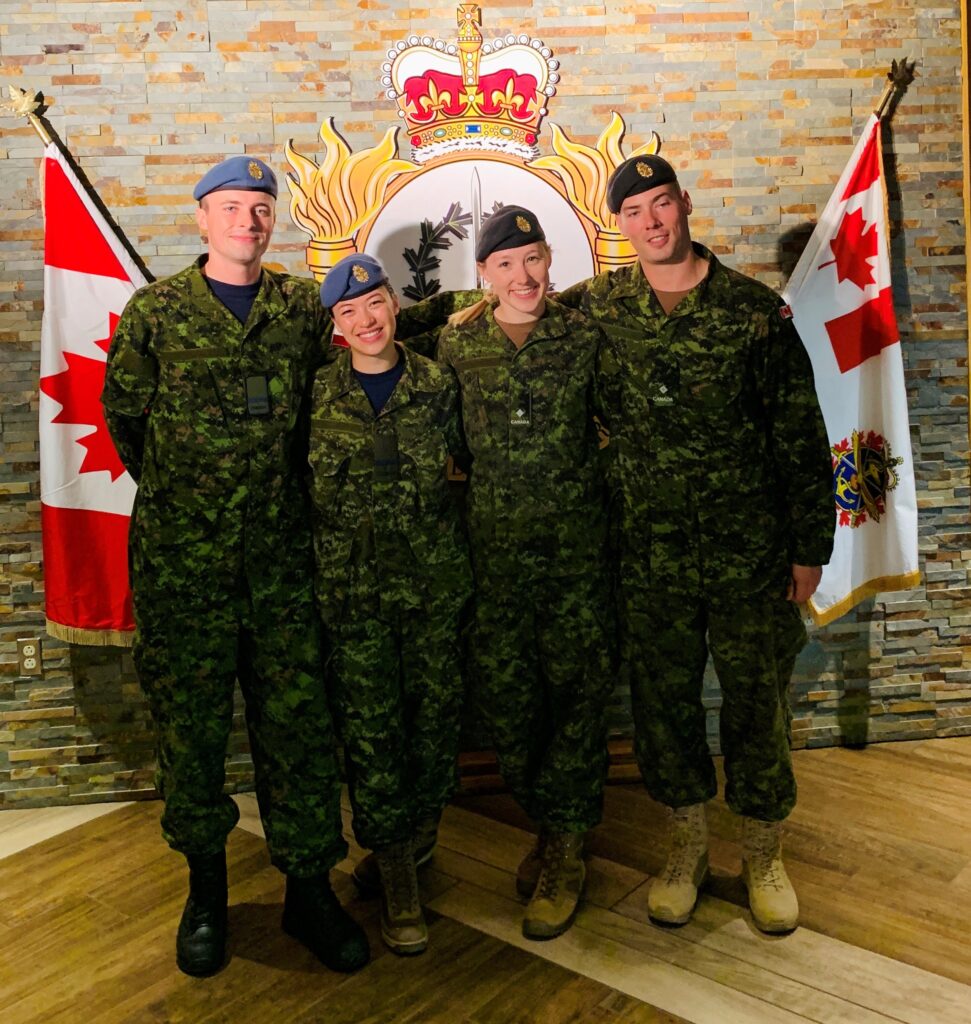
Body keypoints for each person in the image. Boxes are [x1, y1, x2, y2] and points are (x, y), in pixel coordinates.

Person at [101, 156, 369, 977]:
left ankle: (307, 890)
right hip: (187, 569)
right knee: (192, 732)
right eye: (230, 208)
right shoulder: (156, 313)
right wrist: (200, 505)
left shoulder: (297, 309)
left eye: (259, 208)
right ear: (202, 218)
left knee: (298, 730)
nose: (246, 223)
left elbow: (342, 383)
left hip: (285, 565)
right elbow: (126, 423)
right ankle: (207, 891)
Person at [557, 154, 834, 933]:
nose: (651, 222)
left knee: (755, 705)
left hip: (750, 554)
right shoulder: (597, 308)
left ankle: (761, 855)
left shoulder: (752, 312)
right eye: (634, 211)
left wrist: (808, 548)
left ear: (683, 204)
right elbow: (518, 314)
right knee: (664, 708)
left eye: (660, 204)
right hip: (649, 559)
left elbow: (800, 439)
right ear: (620, 225)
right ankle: (684, 849)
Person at [433, 206, 615, 940]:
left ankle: (567, 850)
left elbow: (616, 427)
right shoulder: (458, 345)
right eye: (505, 264)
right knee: (511, 707)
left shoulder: (582, 339)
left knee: (575, 700)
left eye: (533, 258)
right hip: (495, 563)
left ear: (550, 261)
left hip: (575, 559)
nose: (523, 276)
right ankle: (547, 826)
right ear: (482, 276)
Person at [310, 253, 472, 956]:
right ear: (336, 326)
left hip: (432, 593)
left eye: (373, 303)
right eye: (348, 312)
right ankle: (400, 878)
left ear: (395, 304)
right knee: (373, 738)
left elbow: (470, 466)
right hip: (353, 602)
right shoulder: (314, 396)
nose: (365, 320)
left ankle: (415, 844)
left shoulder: (440, 386)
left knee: (433, 730)